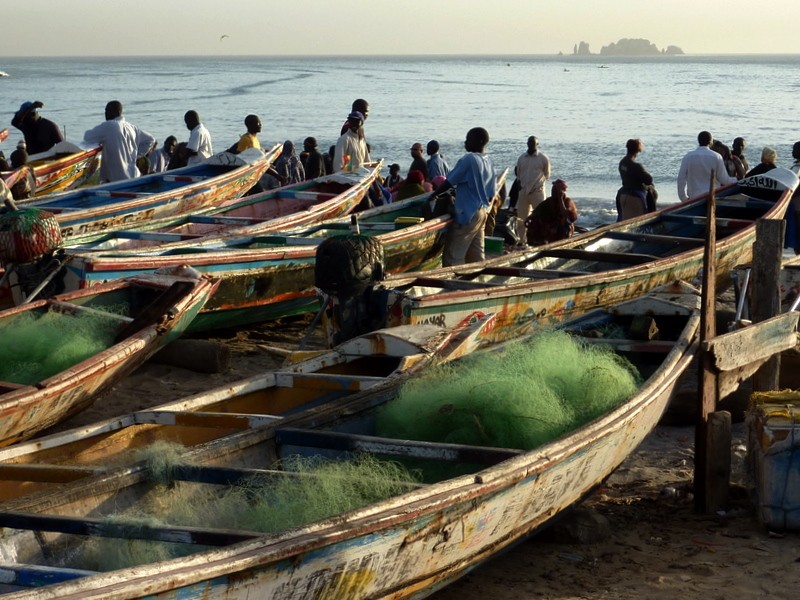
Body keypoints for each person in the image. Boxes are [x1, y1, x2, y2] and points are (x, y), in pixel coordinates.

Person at [431, 127, 497, 267]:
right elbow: (492, 195)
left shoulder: (470, 159)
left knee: (453, 256)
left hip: (467, 215)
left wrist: (432, 195)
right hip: (482, 212)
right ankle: (478, 280)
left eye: (468, 139)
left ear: (478, 141)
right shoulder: (489, 161)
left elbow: (449, 181)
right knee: (476, 255)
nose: (465, 142)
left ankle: (452, 285)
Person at [83, 100, 155, 182]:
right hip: (134, 176)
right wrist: (136, 155)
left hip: (117, 179)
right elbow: (150, 140)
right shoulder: (132, 128)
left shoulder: (109, 126)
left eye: (107, 111)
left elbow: (87, 137)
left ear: (115, 111)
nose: (105, 114)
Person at [676, 131, 737, 201]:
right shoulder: (717, 156)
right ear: (710, 142)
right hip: (713, 196)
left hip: (694, 198)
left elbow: (681, 179)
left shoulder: (688, 157)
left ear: (698, 141)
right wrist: (736, 180)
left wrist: (683, 198)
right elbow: (724, 180)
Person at [514, 135, 551, 243]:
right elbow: (518, 173)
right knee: (521, 218)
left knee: (541, 217)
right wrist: (520, 187)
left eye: (533, 143)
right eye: (529, 143)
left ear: (537, 144)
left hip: (537, 192)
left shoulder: (543, 158)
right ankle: (522, 241)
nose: (530, 145)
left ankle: (542, 239)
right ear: (527, 144)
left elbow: (547, 174)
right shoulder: (521, 158)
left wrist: (538, 184)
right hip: (523, 192)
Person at [525, 179, 579, 246]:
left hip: (562, 228)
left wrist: (560, 199)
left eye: (555, 190)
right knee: (535, 222)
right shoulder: (549, 201)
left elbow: (567, 216)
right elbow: (537, 211)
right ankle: (537, 243)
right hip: (550, 226)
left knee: (563, 223)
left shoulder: (567, 201)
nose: (553, 192)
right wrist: (529, 218)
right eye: (552, 190)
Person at [616, 138, 656, 220]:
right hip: (635, 194)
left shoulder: (622, 162)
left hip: (624, 191)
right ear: (638, 150)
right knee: (652, 190)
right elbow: (649, 179)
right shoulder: (636, 166)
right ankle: (652, 217)